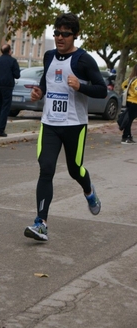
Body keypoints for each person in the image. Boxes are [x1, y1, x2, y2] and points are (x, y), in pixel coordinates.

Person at [24, 12, 107, 242]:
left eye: (65, 34)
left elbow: (102, 89)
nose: (60, 37)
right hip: (49, 123)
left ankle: (89, 191)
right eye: (57, 33)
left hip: (75, 125)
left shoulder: (83, 60)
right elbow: (45, 84)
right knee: (46, 167)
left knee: (75, 169)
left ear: (75, 35)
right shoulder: (49, 56)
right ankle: (41, 223)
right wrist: (37, 93)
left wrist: (80, 86)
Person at [0, 44, 20, 137]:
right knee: (5, 108)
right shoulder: (12, 61)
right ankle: (0, 129)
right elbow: (17, 75)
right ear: (10, 51)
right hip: (7, 87)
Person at [120, 64, 137, 144]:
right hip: (134, 102)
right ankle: (126, 137)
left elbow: (123, 85)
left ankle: (127, 136)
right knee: (129, 120)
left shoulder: (131, 78)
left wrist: (129, 91)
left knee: (128, 119)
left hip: (129, 101)